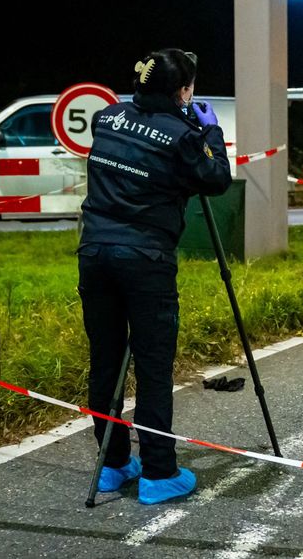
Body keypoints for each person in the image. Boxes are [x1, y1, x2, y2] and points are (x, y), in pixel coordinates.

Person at [77, 48, 231, 504]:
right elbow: (216, 177)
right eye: (189, 88)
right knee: (152, 365)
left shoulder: (107, 118)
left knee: (105, 361)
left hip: (95, 254)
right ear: (183, 92)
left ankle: (113, 465)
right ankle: (159, 473)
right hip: (145, 260)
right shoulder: (183, 135)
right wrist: (210, 130)